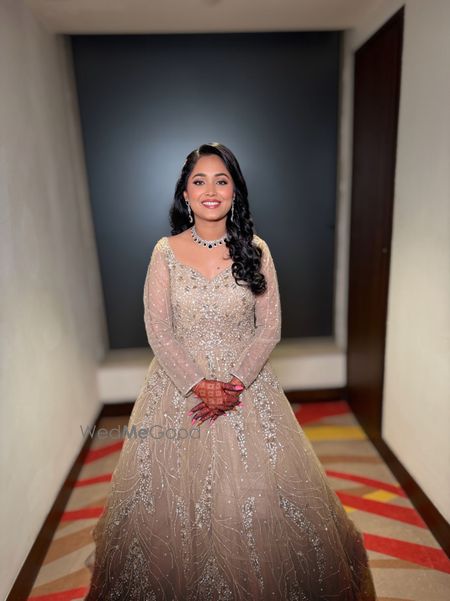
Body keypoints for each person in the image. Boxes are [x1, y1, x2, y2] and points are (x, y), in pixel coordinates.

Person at [84, 142, 376, 600]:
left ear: (235, 191)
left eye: (221, 181)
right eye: (199, 181)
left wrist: (234, 386)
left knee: (255, 503)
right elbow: (158, 329)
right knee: (169, 508)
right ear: (185, 192)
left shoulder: (256, 250)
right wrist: (200, 385)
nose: (210, 190)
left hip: (248, 391)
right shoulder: (165, 252)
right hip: (178, 391)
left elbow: (270, 327)